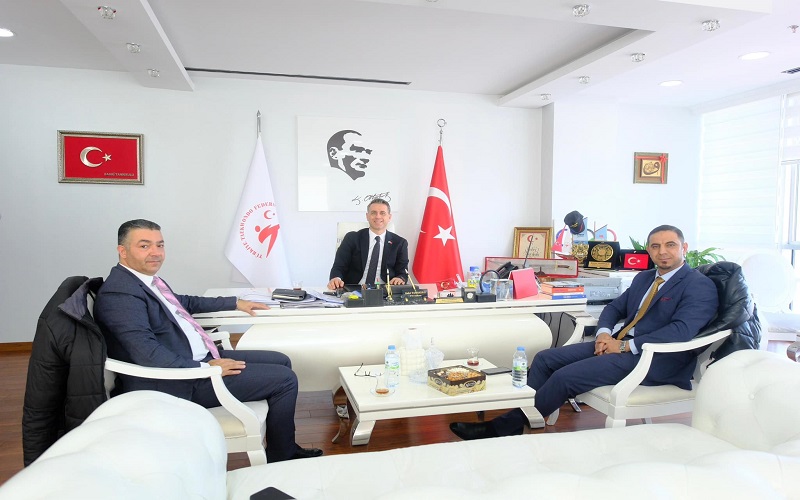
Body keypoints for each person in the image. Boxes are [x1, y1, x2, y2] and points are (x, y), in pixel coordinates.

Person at [450, 224, 719, 440]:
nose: (663, 252)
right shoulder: (645, 278)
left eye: (670, 245)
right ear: (648, 250)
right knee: (545, 358)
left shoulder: (698, 285)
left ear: (684, 248)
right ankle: (526, 418)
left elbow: (681, 331)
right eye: (656, 246)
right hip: (619, 345)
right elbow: (614, 307)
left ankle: (503, 427)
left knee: (566, 376)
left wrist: (624, 346)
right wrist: (604, 334)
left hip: (657, 358)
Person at [94, 219, 322, 462]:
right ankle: (282, 456)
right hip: (176, 381)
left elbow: (183, 303)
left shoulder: (144, 281)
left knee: (281, 360)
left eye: (160, 245)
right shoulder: (120, 293)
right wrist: (205, 367)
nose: (156, 252)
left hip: (196, 359)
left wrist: (235, 303)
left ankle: (281, 446)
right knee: (285, 380)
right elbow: (146, 353)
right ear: (122, 251)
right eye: (144, 246)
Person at [328, 198, 409, 289]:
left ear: (389, 217)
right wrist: (336, 278)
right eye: (373, 213)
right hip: (354, 290)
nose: (378, 216)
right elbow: (339, 266)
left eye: (382, 213)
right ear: (367, 216)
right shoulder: (352, 238)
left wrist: (400, 278)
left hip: (385, 290)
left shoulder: (400, 243)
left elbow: (403, 272)